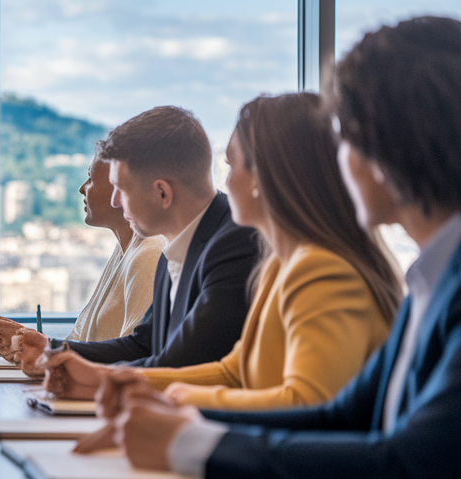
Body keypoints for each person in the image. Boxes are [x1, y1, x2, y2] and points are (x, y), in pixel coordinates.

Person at [78, 17, 461, 479]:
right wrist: (184, 422)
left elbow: (409, 468)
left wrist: (190, 443)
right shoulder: (460, 262)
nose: (339, 163)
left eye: (346, 140)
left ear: (390, 145)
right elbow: (347, 414)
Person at [39, 92, 402, 411]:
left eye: (231, 164)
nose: (223, 182)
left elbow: (305, 402)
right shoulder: (278, 266)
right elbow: (234, 369)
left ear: (265, 179)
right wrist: (110, 380)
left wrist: (160, 397)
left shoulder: (321, 270)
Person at [0, 106, 259, 372]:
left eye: (122, 189)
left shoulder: (233, 246)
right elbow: (141, 345)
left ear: (162, 193)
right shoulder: (176, 248)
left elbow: (181, 364)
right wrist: (50, 349)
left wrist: (89, 376)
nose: (115, 201)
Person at [65, 154, 166, 342]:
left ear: (120, 189)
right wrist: (30, 343)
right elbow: (80, 341)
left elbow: (133, 355)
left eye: (91, 179)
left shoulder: (150, 254)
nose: (81, 189)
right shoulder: (124, 249)